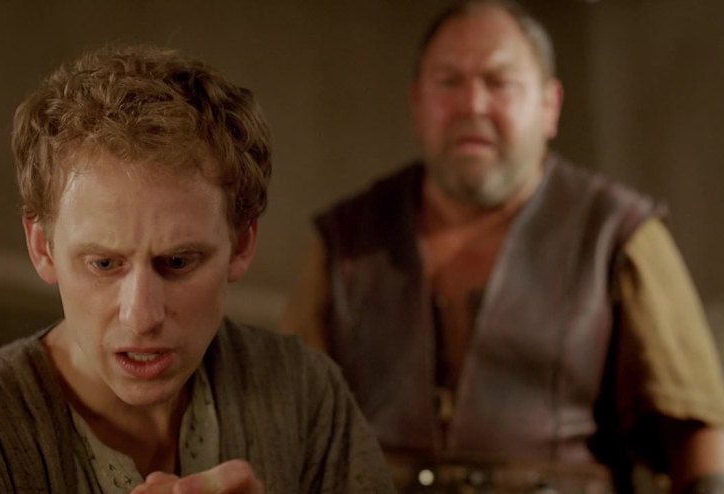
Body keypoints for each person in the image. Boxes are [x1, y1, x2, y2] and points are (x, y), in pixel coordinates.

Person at [282, 1, 724, 493]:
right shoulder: (345, 240)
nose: (472, 104)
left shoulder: (619, 234)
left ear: (549, 106)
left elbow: (696, 428)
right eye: (449, 81)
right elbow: (292, 419)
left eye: (499, 82)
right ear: (417, 104)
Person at [0, 44, 394, 493]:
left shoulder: (305, 396)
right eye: (104, 263)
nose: (141, 317)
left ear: (242, 243)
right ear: (42, 247)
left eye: (178, 262)